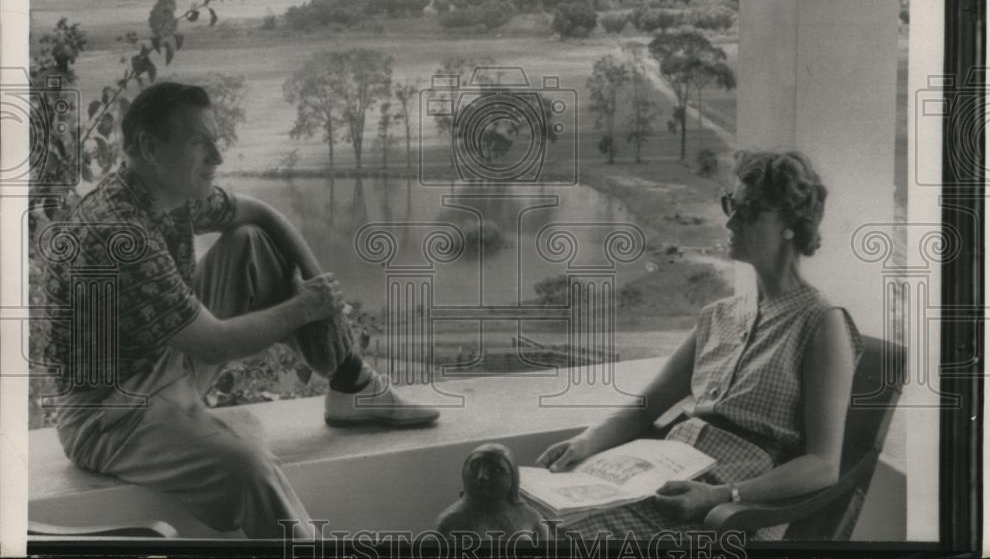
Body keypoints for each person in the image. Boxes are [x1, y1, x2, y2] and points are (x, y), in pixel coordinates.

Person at [38, 82, 440, 539]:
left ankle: (353, 387)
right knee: (249, 464)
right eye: (198, 142)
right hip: (110, 414)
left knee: (250, 242)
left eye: (215, 139)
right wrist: (307, 306)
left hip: (166, 364)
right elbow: (216, 342)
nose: (218, 157)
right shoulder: (119, 232)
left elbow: (263, 214)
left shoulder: (166, 195)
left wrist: (319, 291)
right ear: (150, 147)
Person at [536, 150, 863, 541]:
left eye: (749, 211)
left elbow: (822, 465)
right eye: (732, 205)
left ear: (791, 223)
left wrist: (719, 495)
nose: (730, 221)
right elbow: (646, 407)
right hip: (662, 484)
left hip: (730, 514)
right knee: (525, 518)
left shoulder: (820, 322)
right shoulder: (718, 316)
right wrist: (584, 442)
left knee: (560, 538)